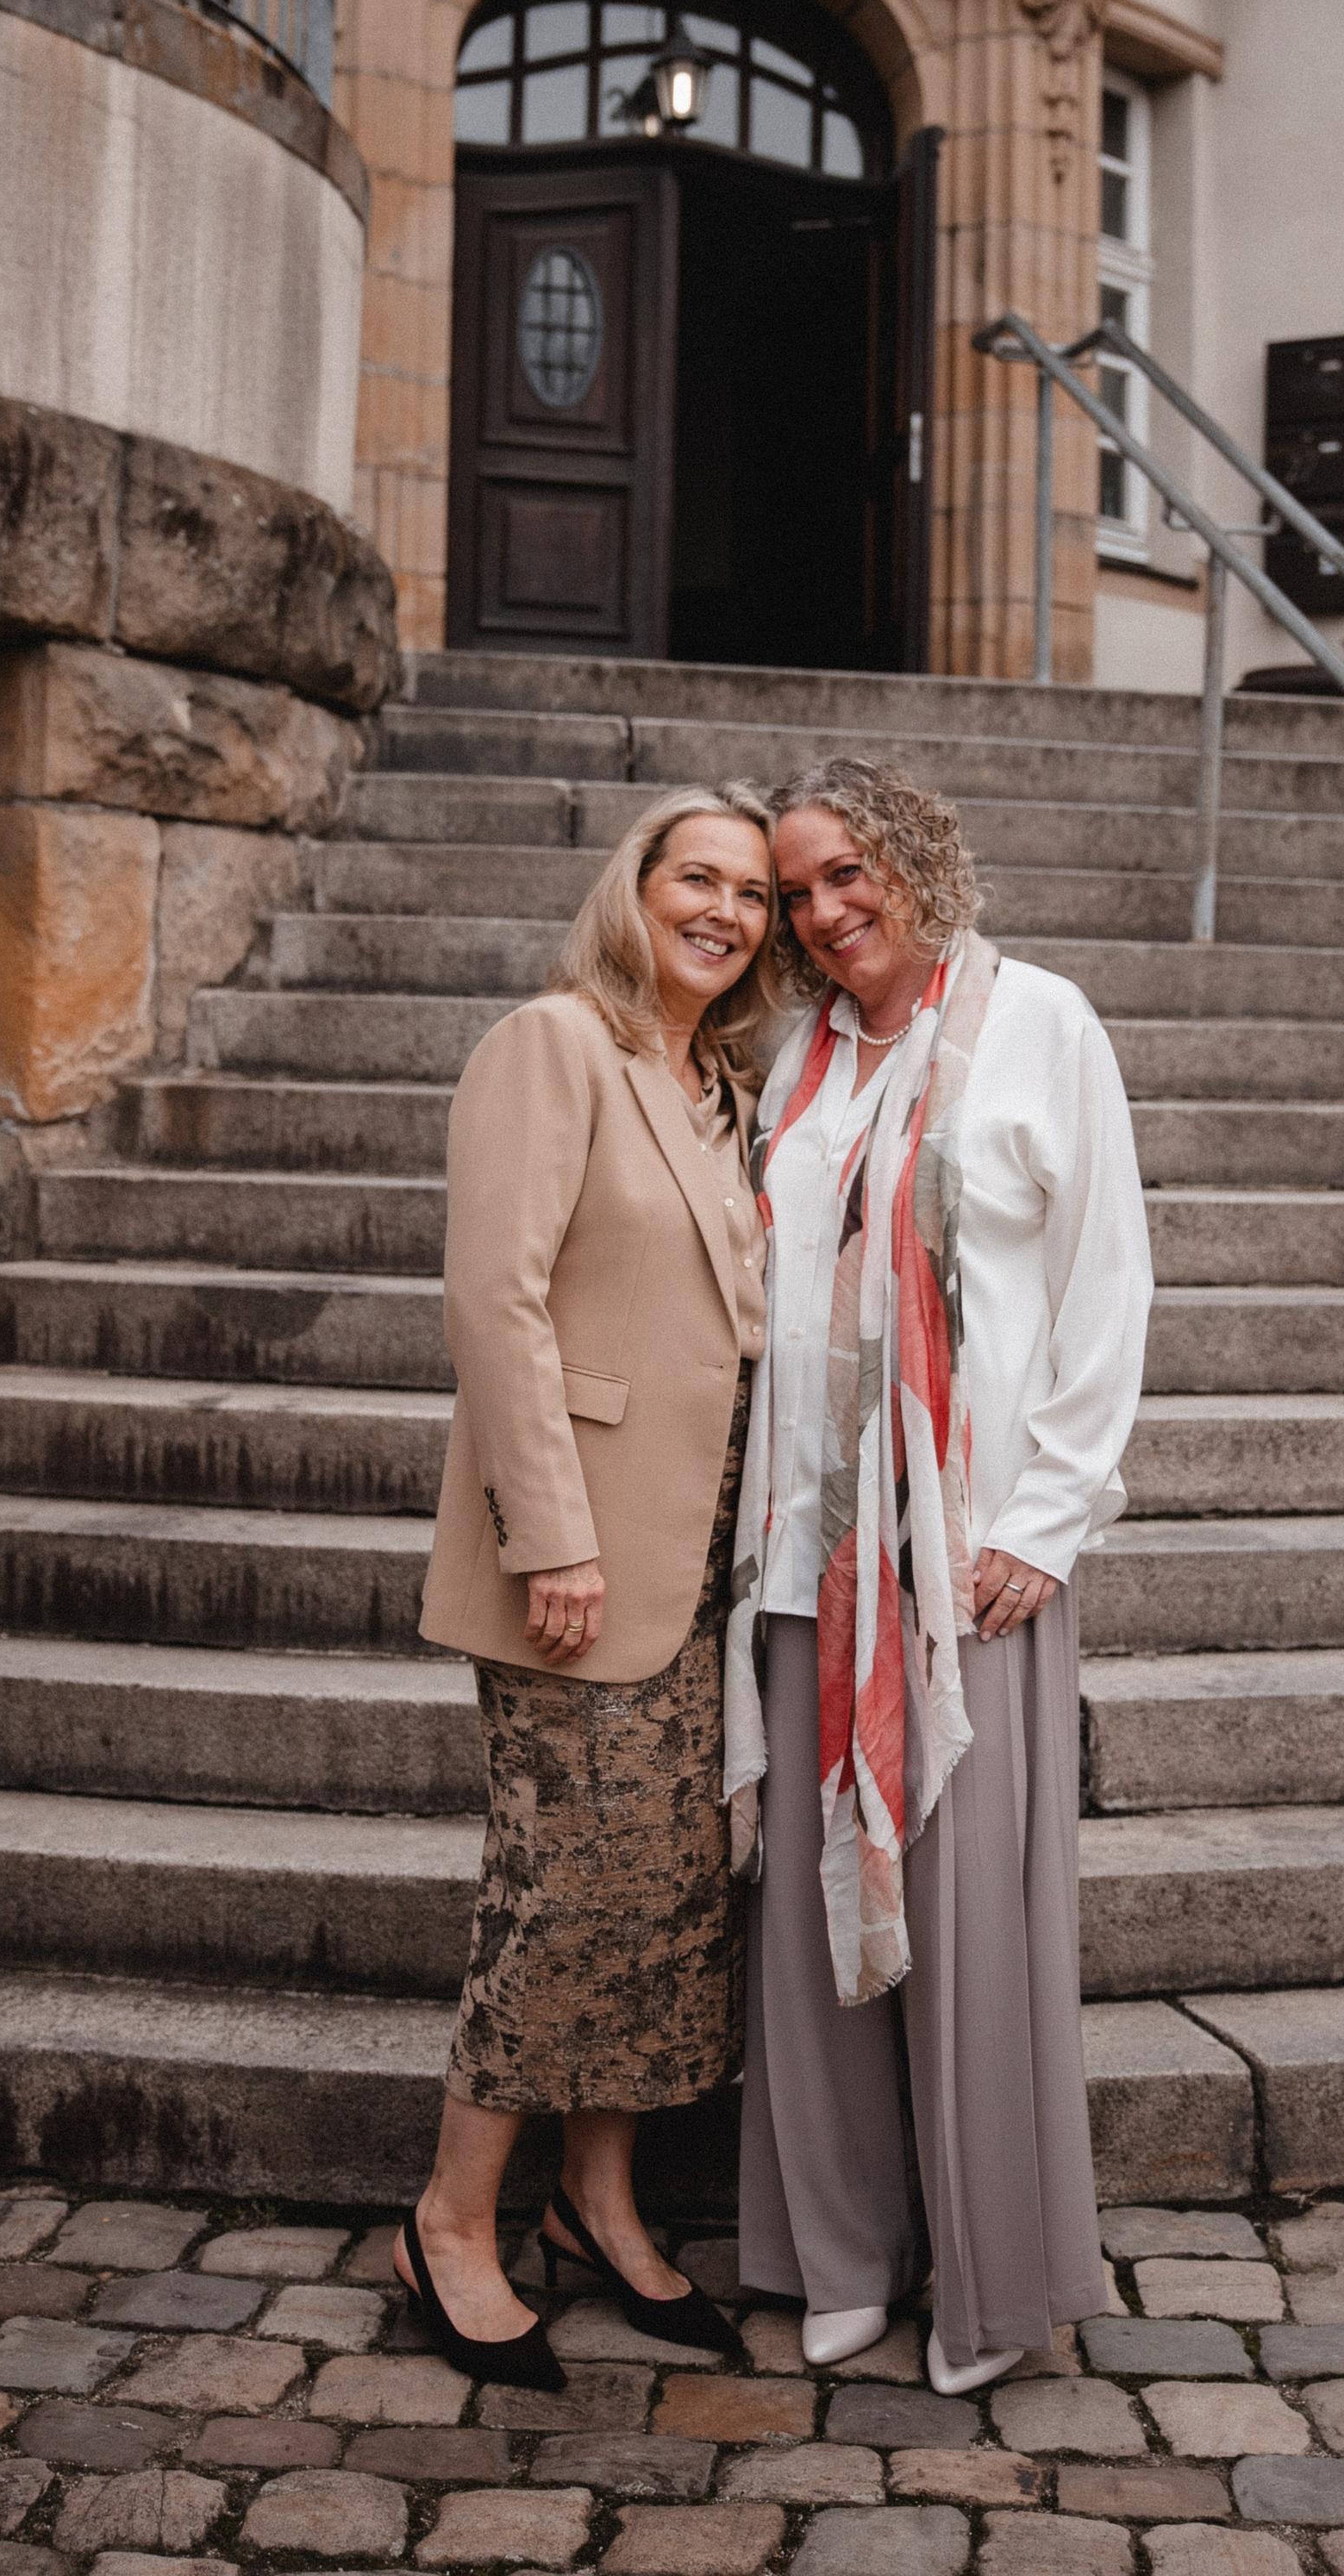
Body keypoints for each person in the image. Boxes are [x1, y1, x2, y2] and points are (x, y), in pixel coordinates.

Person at [727, 754, 1152, 2395]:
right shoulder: (799, 1063)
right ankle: (835, 2249)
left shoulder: (1041, 1022)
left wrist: (1045, 1521)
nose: (827, 915)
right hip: (803, 1554)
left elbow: (1104, 1280)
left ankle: (989, 2278)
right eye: (796, 895)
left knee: (968, 1936)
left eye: (848, 874)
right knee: (807, 1928)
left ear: (909, 858)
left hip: (970, 1557)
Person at [402, 784, 783, 2389]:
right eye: (698, 875)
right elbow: (495, 1299)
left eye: (755, 894)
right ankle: (451, 2218)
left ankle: (601, 2206)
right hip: (579, 1554)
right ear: (634, 889)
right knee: (561, 1902)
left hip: (705, 1562)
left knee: (666, 1906)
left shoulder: (720, 1085)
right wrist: (549, 1532)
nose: (729, 910)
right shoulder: (553, 1042)